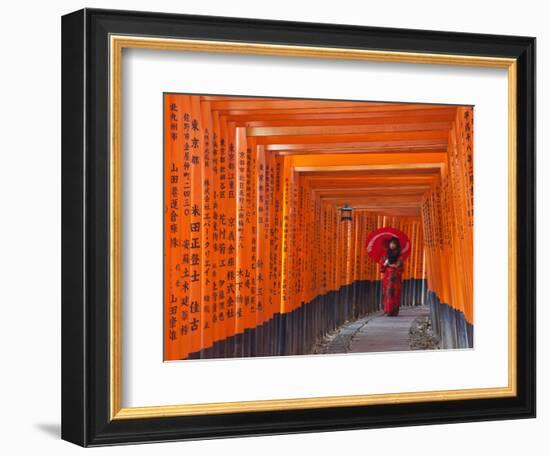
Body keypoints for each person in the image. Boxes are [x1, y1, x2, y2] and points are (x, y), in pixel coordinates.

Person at [379, 237, 403, 316]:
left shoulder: (399, 254)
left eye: (394, 243)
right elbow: (382, 267)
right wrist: (384, 264)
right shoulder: (385, 254)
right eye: (391, 243)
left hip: (395, 277)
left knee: (395, 293)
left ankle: (394, 310)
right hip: (387, 277)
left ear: (397, 245)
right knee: (387, 293)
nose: (392, 245)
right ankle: (388, 310)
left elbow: (399, 266)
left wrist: (389, 264)